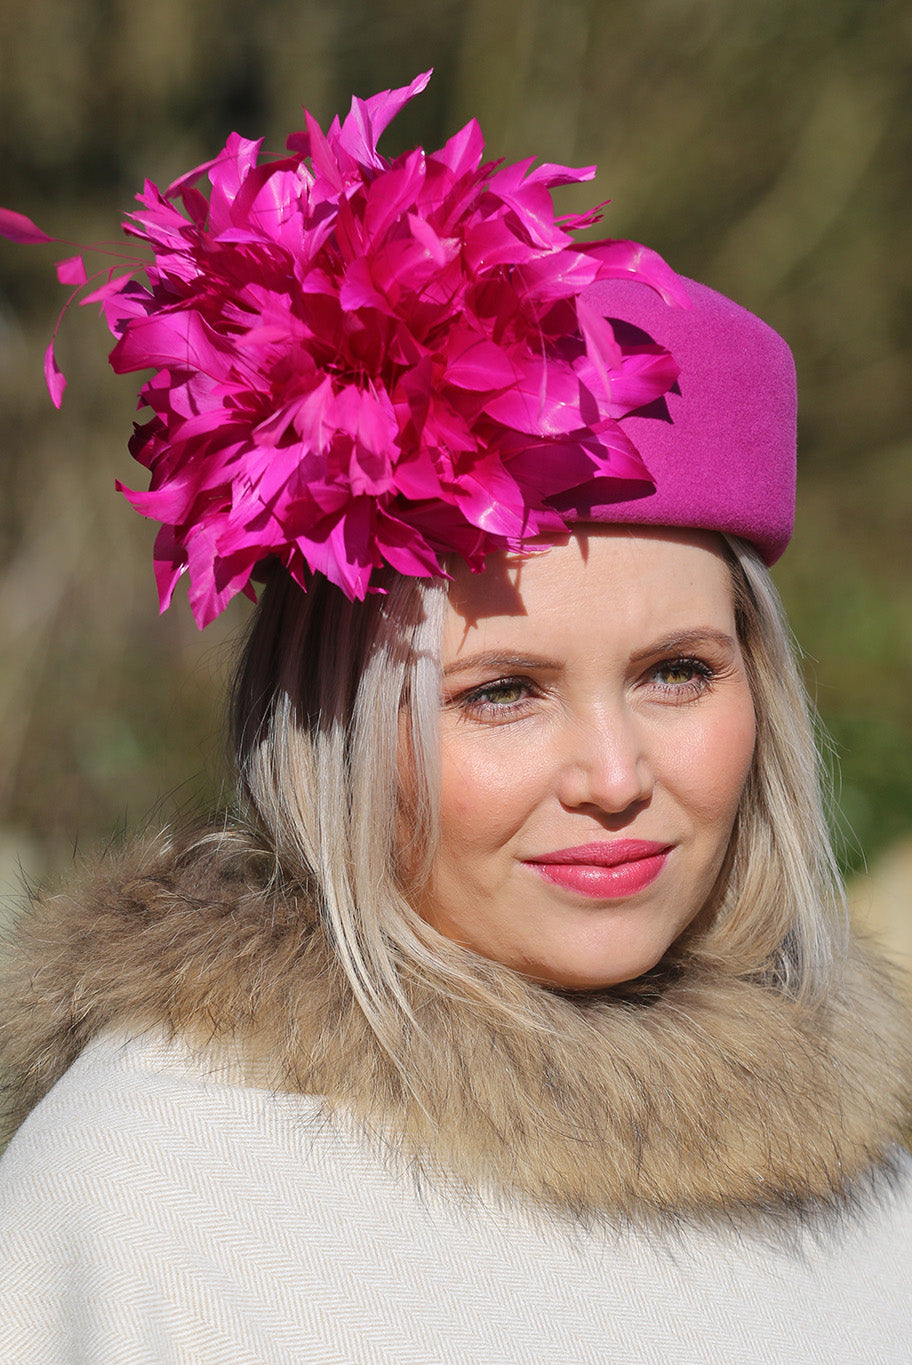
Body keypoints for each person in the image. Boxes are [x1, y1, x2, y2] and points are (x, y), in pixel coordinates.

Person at [1, 73, 910, 1363]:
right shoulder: (156, 1193)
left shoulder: (874, 1177)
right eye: (502, 692)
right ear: (331, 731)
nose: (612, 775)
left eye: (677, 673)